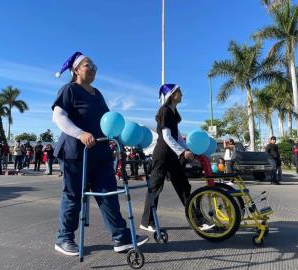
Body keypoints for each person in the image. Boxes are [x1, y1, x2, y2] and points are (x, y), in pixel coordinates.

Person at [51, 52, 148, 256]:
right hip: (75, 153)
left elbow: (108, 124)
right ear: (76, 70)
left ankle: (121, 238)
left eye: (94, 65)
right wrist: (80, 134)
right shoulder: (69, 89)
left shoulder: (98, 94)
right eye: (88, 65)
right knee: (73, 196)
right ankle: (64, 238)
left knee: (109, 194)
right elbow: (58, 117)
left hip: (101, 153)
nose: (93, 68)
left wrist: (124, 138)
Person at [140, 83, 194, 232]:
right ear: (172, 95)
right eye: (179, 92)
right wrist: (182, 152)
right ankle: (147, 221)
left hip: (172, 156)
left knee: (184, 186)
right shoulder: (164, 111)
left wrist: (186, 149)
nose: (182, 94)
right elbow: (167, 136)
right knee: (155, 188)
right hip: (162, 155)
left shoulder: (173, 112)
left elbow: (177, 136)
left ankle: (197, 219)